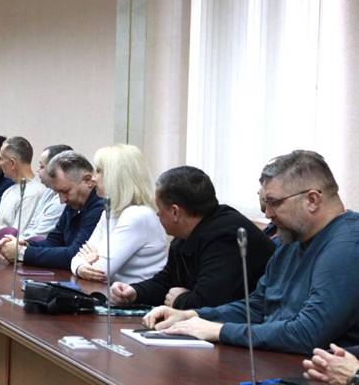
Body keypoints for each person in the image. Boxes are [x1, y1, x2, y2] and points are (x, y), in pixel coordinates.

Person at [147, 150, 359, 352]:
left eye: (274, 203)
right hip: (275, 359)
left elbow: (307, 333)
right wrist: (193, 316)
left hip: (312, 370)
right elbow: (257, 306)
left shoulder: (347, 245)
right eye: (266, 203)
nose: (268, 214)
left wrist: (219, 331)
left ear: (312, 200)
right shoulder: (291, 240)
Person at [109, 165, 274, 310]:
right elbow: (168, 281)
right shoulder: (187, 233)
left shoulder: (226, 236)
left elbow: (212, 302)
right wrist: (135, 292)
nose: (157, 214)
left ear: (175, 212)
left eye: (159, 208)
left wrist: (180, 300)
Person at [66, 144, 168, 284]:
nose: (94, 178)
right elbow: (77, 257)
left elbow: (101, 271)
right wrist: (80, 266)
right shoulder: (111, 212)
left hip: (138, 296)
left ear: (117, 176)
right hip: (113, 293)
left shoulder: (137, 215)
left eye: (99, 171)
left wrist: (88, 259)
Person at [0, 150, 104, 270]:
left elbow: (75, 254)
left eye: (65, 191)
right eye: (58, 193)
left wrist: (22, 253)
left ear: (88, 180)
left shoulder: (100, 207)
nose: (62, 200)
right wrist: (25, 244)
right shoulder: (74, 202)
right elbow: (54, 241)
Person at [0, 136, 64, 242]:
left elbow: (19, 235)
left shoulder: (33, 193)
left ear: (12, 163)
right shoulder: (9, 190)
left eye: (1, 158)